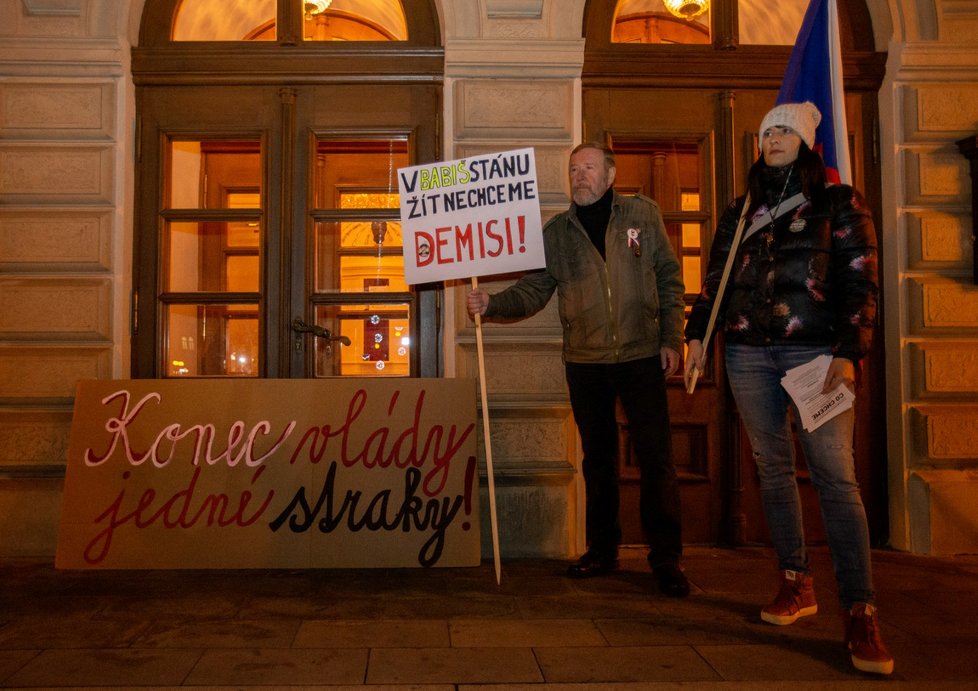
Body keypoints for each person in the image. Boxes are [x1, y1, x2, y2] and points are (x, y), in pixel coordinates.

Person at [683, 102, 893, 674]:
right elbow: (717, 278)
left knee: (834, 475)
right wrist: (698, 335)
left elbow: (862, 280)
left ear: (804, 140)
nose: (773, 138)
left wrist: (850, 353)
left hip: (814, 353)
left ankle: (860, 608)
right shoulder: (742, 207)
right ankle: (796, 582)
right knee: (771, 469)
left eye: (783, 130)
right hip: (749, 352)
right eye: (767, 131)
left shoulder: (839, 202)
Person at [467, 142, 689, 597]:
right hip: (586, 363)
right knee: (598, 461)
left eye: (588, 168)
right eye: (573, 169)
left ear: (610, 175)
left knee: (656, 460)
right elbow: (534, 291)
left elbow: (669, 278)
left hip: (642, 356)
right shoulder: (557, 233)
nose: (580, 176)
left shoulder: (642, 217)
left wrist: (671, 339)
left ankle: (666, 559)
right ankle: (602, 551)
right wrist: (491, 303)